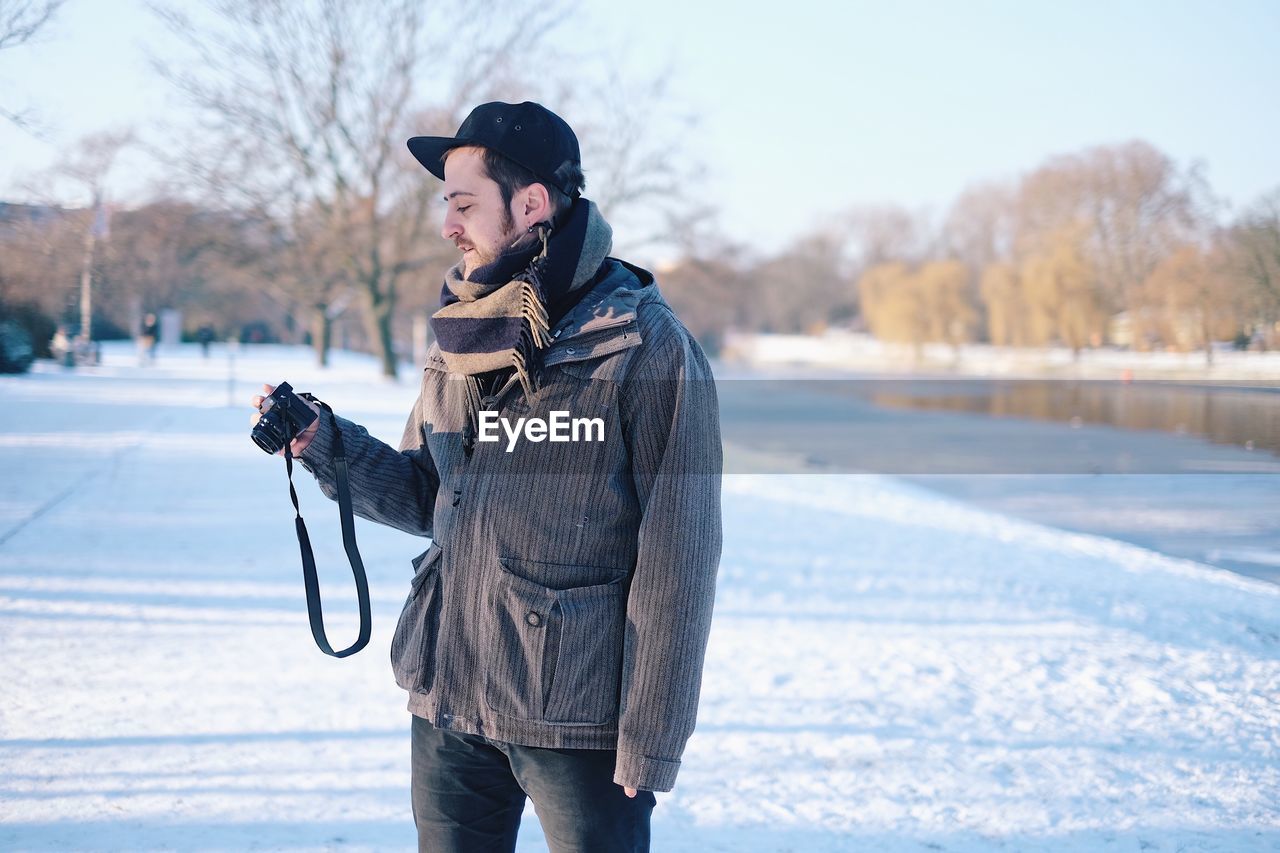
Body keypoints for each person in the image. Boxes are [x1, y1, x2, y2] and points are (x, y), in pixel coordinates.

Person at [250, 101, 722, 853]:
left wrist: (653, 736)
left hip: (578, 720)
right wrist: (320, 440)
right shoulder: (460, 332)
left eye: (464, 203)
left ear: (531, 204)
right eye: (448, 205)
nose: (449, 226)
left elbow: (681, 554)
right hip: (450, 696)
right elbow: (427, 494)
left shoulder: (643, 344)